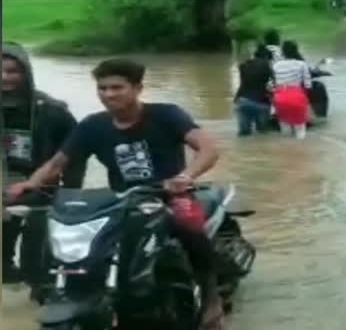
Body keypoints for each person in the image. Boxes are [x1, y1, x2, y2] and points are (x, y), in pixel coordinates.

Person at [6, 59, 224, 329]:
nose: (109, 94)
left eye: (117, 87)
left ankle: (212, 299)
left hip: (170, 195)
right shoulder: (92, 126)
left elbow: (208, 148)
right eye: (103, 88)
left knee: (188, 224)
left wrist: (185, 177)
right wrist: (29, 184)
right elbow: (57, 163)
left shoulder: (167, 114)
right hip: (120, 201)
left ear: (137, 88)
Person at [2, 42, 82, 294]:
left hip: (41, 184)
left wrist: (71, 193)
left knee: (37, 246)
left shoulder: (52, 110)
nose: (5, 78)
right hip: (4, 183)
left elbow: (75, 152)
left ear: (26, 72)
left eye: (13, 71)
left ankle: (39, 283)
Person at [271, 41, 312, 139]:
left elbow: (272, 85)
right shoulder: (302, 64)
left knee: (285, 133)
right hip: (297, 98)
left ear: (283, 52)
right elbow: (308, 85)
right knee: (300, 130)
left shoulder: (276, 65)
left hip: (280, 99)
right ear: (296, 50)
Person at [234, 44, 274, 136]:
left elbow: (245, 83)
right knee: (263, 134)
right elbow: (273, 86)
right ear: (267, 57)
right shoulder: (267, 66)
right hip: (261, 103)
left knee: (244, 134)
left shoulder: (243, 65)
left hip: (242, 102)